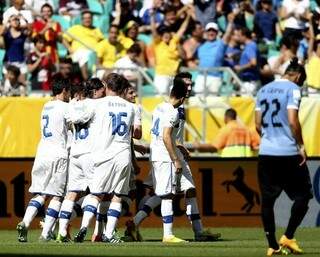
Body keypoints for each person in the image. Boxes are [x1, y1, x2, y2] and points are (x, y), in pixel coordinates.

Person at [125, 72, 221, 242]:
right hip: (166, 155)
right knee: (165, 194)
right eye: (186, 85)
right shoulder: (174, 109)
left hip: (171, 153)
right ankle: (163, 232)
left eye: (191, 84)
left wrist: (179, 146)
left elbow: (169, 134)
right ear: (178, 89)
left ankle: (198, 232)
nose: (189, 88)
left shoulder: (162, 106)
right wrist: (176, 154)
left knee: (188, 190)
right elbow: (166, 135)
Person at [70, 73, 140, 244]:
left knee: (96, 194)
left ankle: (84, 227)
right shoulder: (132, 107)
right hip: (123, 154)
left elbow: (76, 118)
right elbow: (137, 133)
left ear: (107, 86)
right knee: (118, 195)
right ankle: (109, 233)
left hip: (102, 154)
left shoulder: (98, 104)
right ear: (122, 88)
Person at [255, 58, 313, 256]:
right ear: (297, 76)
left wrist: (269, 138)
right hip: (288, 152)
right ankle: (288, 236)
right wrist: (301, 146)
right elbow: (292, 120)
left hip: (266, 152)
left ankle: (272, 245)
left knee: (267, 201)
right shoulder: (293, 89)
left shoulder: (262, 90)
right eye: (301, 81)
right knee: (304, 196)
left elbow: (257, 124)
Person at [16, 78, 71, 242]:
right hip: (58, 153)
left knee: (41, 193)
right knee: (56, 196)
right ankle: (46, 233)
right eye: (68, 92)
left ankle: (25, 223)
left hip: (42, 153)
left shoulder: (46, 106)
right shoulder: (66, 107)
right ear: (64, 91)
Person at [56, 78, 106, 243]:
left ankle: (62, 231)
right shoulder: (94, 105)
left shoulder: (70, 105)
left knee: (71, 194)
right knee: (97, 193)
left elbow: (72, 120)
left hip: (74, 153)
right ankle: (85, 226)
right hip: (89, 153)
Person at [151, 6, 191, 95]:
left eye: (167, 33)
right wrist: (152, 17)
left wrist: (188, 16)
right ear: (161, 35)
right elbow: (153, 30)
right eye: (163, 33)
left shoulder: (174, 41)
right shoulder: (158, 43)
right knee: (159, 99)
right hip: (161, 76)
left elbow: (183, 29)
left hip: (173, 76)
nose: (166, 35)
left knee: (172, 100)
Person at [194, 13, 234, 95]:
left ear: (217, 33)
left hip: (215, 77)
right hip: (201, 76)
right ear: (206, 32)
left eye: (214, 31)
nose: (211, 33)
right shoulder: (201, 47)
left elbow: (228, 35)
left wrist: (230, 23)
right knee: (197, 100)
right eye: (209, 31)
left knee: (212, 102)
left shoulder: (220, 44)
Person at [194, 108, 260, 157]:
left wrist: (199, 146)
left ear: (225, 117)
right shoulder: (246, 129)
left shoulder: (226, 129)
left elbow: (214, 147)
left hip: (229, 163)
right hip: (246, 163)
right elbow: (256, 145)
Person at [62, 10, 104, 80]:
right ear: (81, 20)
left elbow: (102, 42)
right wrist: (69, 49)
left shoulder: (96, 30)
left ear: (92, 19)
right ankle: (86, 79)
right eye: (85, 18)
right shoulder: (75, 28)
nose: (87, 20)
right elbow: (63, 39)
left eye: (89, 18)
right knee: (84, 55)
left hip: (93, 53)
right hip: (78, 53)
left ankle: (94, 80)